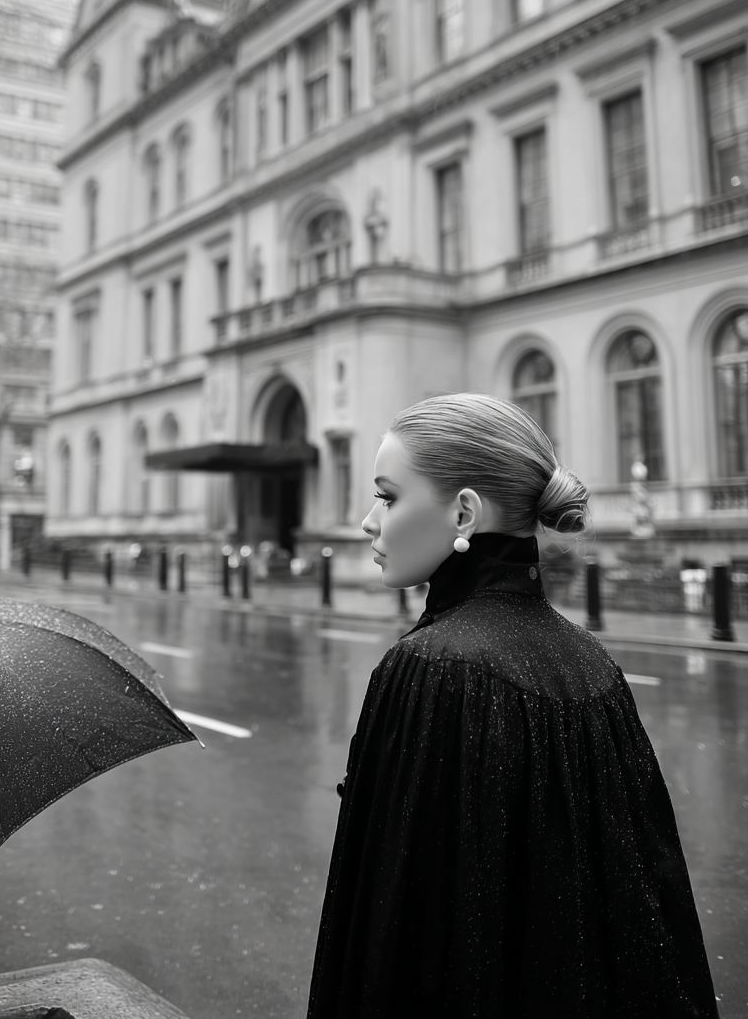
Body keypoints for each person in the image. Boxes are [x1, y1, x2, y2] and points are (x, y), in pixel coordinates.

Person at [307, 393, 718, 1019]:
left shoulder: (430, 669)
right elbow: (647, 915)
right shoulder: (593, 663)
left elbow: (396, 936)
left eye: (388, 497)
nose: (369, 521)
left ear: (465, 513)